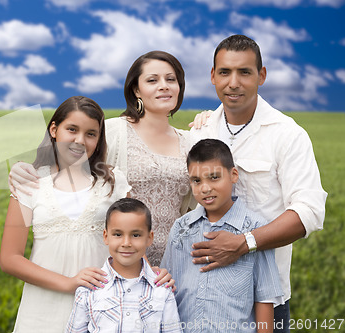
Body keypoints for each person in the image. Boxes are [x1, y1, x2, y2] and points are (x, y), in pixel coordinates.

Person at [189, 35, 327, 332]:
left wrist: (243, 243)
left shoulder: (287, 134)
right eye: (224, 72)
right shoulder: (200, 133)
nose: (233, 82)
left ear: (261, 76)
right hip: (204, 294)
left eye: (245, 72)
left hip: (265, 298)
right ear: (213, 76)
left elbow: (309, 212)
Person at [9, 51, 196, 267]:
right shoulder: (112, 130)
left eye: (170, 79)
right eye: (152, 80)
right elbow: (67, 167)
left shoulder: (191, 141)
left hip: (174, 262)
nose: (164, 86)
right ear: (136, 89)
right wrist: (21, 170)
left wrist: (208, 118)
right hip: (115, 262)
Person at [0, 96, 132, 332]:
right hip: (42, 310)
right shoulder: (30, 183)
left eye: (91, 134)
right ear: (54, 129)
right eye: (72, 129)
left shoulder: (113, 183)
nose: (80, 140)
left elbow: (132, 242)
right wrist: (69, 283)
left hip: (100, 305)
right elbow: (10, 258)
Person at [161, 139, 284, 333]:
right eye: (197, 181)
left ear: (233, 175)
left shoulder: (255, 229)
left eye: (214, 177)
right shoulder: (181, 228)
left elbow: (264, 299)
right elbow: (166, 289)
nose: (205, 188)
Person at [66, 198, 182, 333]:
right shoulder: (89, 290)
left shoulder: (162, 289)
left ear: (149, 238)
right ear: (106, 236)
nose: (126, 243)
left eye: (136, 235)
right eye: (118, 234)